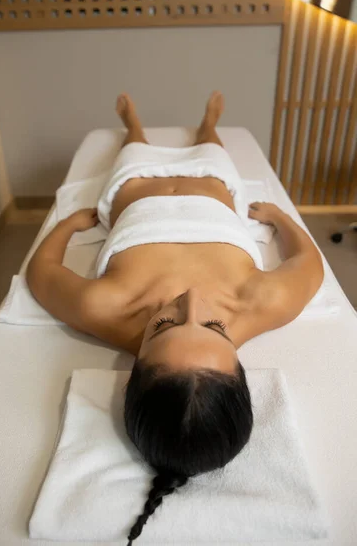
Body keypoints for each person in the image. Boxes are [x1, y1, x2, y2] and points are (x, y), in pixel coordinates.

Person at [26, 92, 324, 545]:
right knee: (211, 145)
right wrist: (281, 218)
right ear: (238, 362)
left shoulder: (101, 308)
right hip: (211, 186)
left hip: (137, 186)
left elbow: (42, 273)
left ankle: (133, 125)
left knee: (135, 147)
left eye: (164, 326)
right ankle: (208, 122)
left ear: (134, 369)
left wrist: (68, 226)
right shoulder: (265, 302)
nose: (191, 300)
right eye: (214, 327)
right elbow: (311, 263)